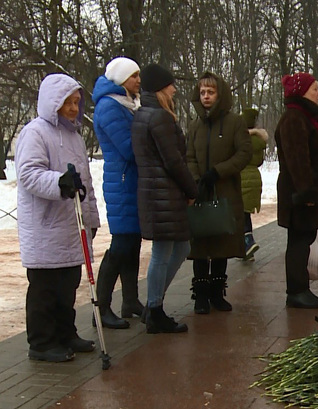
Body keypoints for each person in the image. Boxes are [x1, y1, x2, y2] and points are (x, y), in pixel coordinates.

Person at [16, 73, 100, 362]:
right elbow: (28, 173)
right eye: (68, 102)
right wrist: (59, 182)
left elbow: (84, 182)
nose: (74, 108)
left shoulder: (74, 136)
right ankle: (41, 342)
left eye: (77, 102)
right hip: (45, 226)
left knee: (68, 285)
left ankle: (66, 333)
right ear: (54, 102)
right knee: (45, 290)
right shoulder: (36, 132)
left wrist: (91, 221)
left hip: (71, 226)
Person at [132, 63, 198, 333]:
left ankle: (153, 304)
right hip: (164, 193)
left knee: (180, 247)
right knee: (163, 252)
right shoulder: (159, 117)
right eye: (170, 84)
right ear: (160, 87)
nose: (175, 88)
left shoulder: (143, 115)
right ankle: (155, 308)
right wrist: (192, 189)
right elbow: (173, 160)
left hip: (155, 192)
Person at [186, 72, 252, 314]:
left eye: (210, 92)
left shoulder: (235, 122)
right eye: (202, 92)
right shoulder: (194, 125)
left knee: (222, 240)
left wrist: (218, 172)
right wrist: (196, 179)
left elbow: (244, 153)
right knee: (201, 242)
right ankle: (200, 295)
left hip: (225, 190)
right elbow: (189, 155)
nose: (206, 96)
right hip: (199, 191)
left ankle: (217, 292)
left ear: (219, 94)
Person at [91, 56, 144, 329]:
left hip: (131, 181)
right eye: (133, 76)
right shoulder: (110, 107)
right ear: (121, 79)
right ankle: (101, 307)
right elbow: (129, 147)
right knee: (121, 245)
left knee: (132, 243)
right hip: (121, 182)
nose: (138, 80)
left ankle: (130, 300)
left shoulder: (128, 104)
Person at [276, 72, 318, 309]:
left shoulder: (305, 117)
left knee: (303, 239)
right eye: (315, 89)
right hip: (298, 194)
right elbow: (297, 159)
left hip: (304, 192)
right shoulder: (294, 119)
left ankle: (301, 288)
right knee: (299, 241)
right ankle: (296, 290)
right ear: (301, 93)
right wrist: (306, 192)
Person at [239, 108, 268, 261]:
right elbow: (260, 161)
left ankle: (247, 242)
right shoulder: (259, 141)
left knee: (239, 213)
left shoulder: (240, 139)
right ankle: (245, 249)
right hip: (255, 178)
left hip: (241, 177)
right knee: (245, 212)